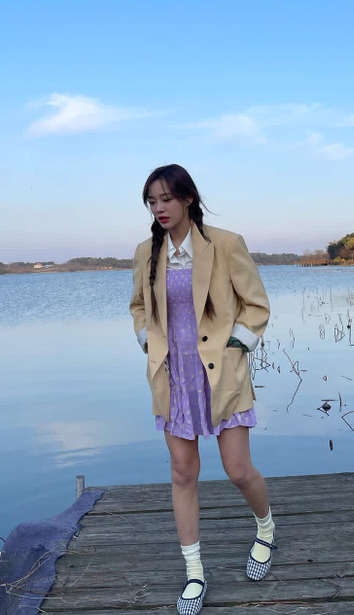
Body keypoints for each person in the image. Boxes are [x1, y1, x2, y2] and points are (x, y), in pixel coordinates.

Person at [130, 164, 276, 615]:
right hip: (173, 377)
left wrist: (238, 345)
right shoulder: (146, 252)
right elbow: (138, 307)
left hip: (220, 375)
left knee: (238, 469)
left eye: (166, 199)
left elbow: (256, 305)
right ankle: (194, 572)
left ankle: (266, 530)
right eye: (152, 201)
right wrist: (147, 340)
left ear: (188, 198)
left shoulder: (225, 244)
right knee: (182, 474)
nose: (159, 208)